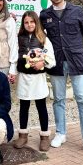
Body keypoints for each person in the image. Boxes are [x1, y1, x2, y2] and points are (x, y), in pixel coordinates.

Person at [39, 0, 83, 158]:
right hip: (57, 64)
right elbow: (38, 35)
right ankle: (60, 133)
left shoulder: (77, 11)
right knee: (58, 99)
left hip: (78, 61)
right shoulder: (45, 15)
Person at [13, 11, 56, 151]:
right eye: (26, 22)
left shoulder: (43, 38)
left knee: (41, 108)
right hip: (24, 79)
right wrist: (13, 72)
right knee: (23, 107)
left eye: (32, 22)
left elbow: (51, 58)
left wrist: (42, 64)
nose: (29, 24)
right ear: (23, 24)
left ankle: (44, 137)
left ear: (36, 22)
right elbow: (14, 56)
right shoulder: (18, 38)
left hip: (39, 80)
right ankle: (23, 135)